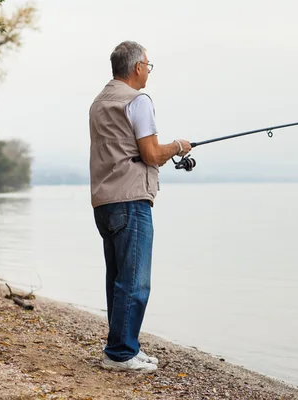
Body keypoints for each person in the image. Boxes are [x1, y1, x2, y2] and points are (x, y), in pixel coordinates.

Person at [89, 41, 192, 372]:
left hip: (104, 202)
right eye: (148, 64)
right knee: (134, 281)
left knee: (118, 278)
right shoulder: (138, 101)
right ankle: (121, 352)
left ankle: (123, 346)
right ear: (136, 67)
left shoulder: (100, 102)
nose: (148, 70)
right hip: (131, 200)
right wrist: (178, 146)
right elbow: (150, 154)